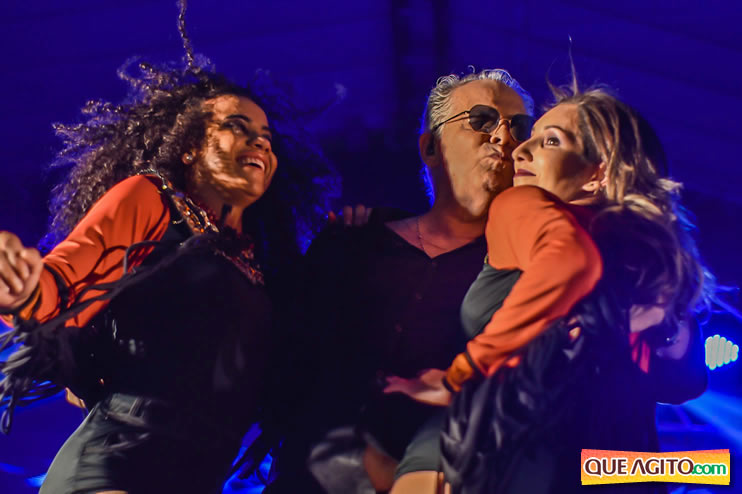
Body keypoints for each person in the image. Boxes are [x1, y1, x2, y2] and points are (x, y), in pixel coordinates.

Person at [0, 9, 336, 493]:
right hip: (116, 467)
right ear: (189, 147)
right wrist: (22, 287)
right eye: (238, 126)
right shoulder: (153, 199)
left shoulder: (264, 264)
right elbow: (65, 283)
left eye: (267, 138)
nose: (260, 143)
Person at [384, 84, 710, 493]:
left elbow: (683, 381)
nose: (520, 149)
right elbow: (683, 384)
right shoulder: (644, 255)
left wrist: (464, 371)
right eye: (532, 136)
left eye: (550, 140)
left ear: (598, 173)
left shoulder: (526, 208)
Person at [264, 68, 535, 494]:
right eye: (482, 120)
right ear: (430, 147)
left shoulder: (525, 276)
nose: (503, 136)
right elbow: (280, 358)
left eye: (519, 127)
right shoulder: (350, 243)